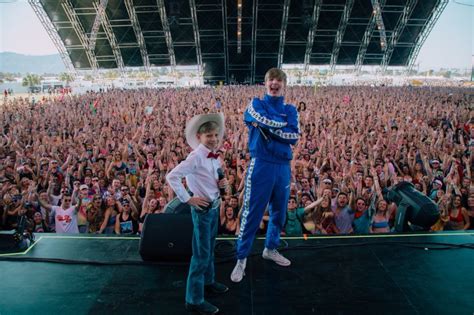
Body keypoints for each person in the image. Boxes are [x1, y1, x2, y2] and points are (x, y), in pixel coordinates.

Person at [231, 68, 300, 283]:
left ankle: (270, 248)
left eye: (279, 80)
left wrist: (268, 127)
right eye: (271, 79)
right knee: (252, 213)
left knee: (279, 213)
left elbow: (294, 136)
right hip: (261, 164)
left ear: (284, 85)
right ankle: (241, 258)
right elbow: (261, 118)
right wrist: (278, 125)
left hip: (282, 167)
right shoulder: (256, 104)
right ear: (265, 83)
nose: (275, 83)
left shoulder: (290, 109)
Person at [166, 113, 228, 315]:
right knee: (200, 254)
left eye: (216, 135)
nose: (213, 139)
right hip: (202, 210)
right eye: (209, 135)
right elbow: (172, 176)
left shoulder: (214, 155)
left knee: (209, 249)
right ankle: (193, 299)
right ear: (199, 137)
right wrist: (188, 199)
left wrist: (222, 185)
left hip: (213, 207)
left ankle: (208, 282)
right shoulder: (195, 157)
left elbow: (213, 180)